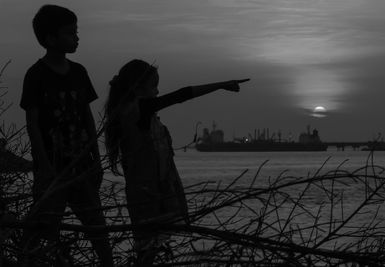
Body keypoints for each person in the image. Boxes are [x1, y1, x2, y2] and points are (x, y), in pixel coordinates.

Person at [104, 59, 249, 265]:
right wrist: (220, 85)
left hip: (153, 188)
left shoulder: (136, 112)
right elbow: (181, 95)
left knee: (151, 247)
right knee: (147, 247)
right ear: (137, 87)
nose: (157, 91)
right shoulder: (136, 111)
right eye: (153, 85)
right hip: (146, 192)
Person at [19, 5, 114, 266]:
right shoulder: (36, 75)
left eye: (76, 32)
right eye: (70, 33)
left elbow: (87, 116)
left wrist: (95, 156)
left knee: (97, 227)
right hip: (52, 168)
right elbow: (33, 124)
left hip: (82, 166)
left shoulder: (79, 72)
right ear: (50, 39)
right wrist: (45, 166)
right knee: (42, 224)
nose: (76, 37)